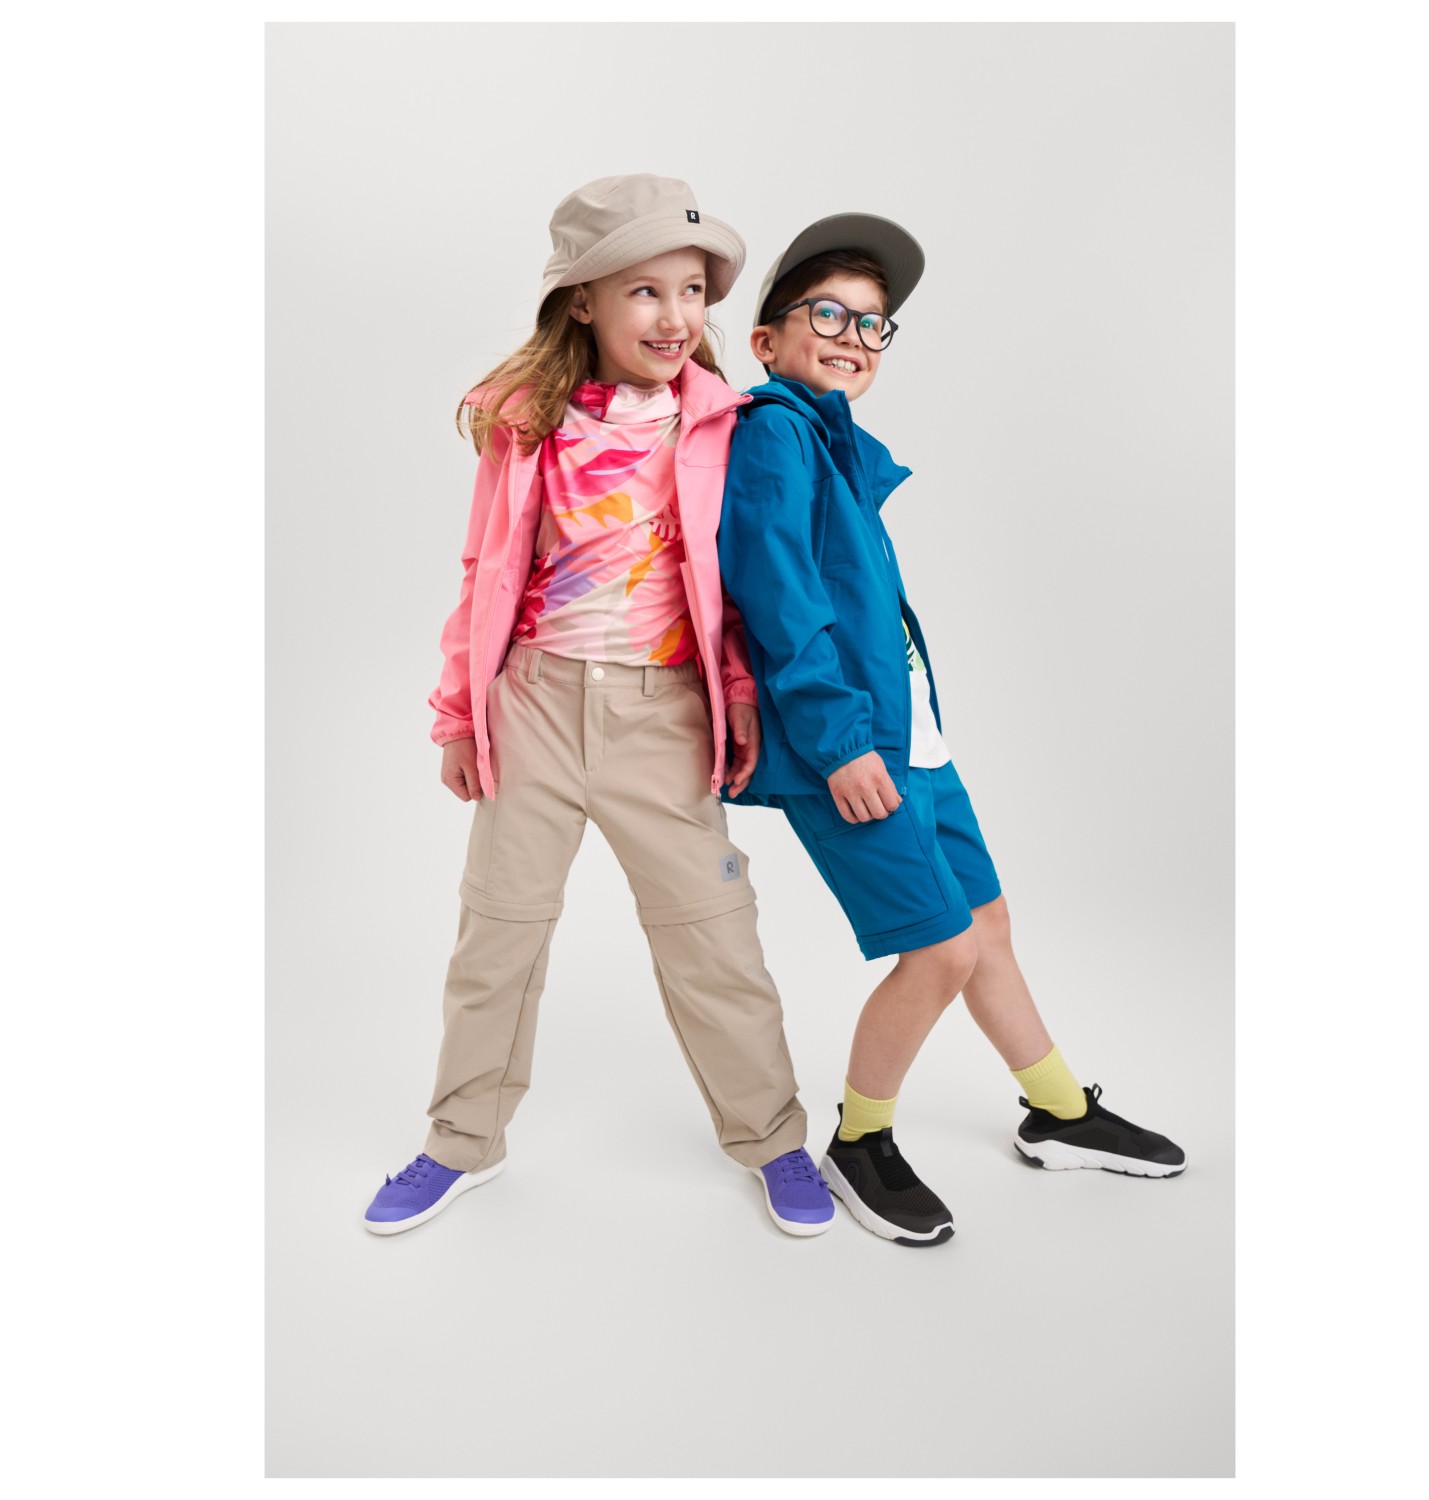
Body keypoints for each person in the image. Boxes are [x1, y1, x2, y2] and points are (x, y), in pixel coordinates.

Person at [363, 176, 833, 1238]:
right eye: (645, 292)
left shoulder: (721, 423)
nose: (675, 317)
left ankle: (772, 1139)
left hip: (663, 715)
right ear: (583, 300)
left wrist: (740, 694)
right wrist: (457, 715)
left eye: (692, 291)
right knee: (498, 936)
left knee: (714, 935)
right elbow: (485, 567)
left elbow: (741, 578)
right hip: (533, 703)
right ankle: (461, 1141)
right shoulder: (527, 422)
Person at [717, 214, 1186, 1248]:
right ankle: (860, 1140)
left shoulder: (833, 443)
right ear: (766, 339)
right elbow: (779, 599)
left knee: (988, 925)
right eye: (827, 314)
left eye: (873, 324)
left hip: (914, 742)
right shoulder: (773, 433)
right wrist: (840, 744)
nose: (853, 336)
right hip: (851, 750)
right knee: (939, 950)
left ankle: (1058, 1111)